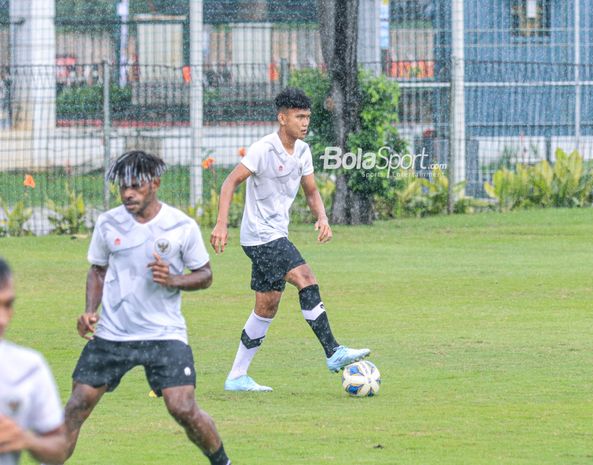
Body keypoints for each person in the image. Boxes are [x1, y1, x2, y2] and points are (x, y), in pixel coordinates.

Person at [61, 151, 232, 465]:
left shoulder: (181, 226)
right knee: (76, 405)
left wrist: (174, 280)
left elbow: (205, 275)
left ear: (154, 183)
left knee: (183, 408)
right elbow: (98, 269)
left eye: (135, 186)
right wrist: (89, 310)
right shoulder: (107, 223)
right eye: (122, 187)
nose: (127, 193)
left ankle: (222, 462)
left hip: (164, 333)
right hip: (113, 334)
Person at [210, 87, 370, 392]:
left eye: (307, 116)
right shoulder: (263, 149)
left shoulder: (303, 151)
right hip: (261, 236)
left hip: (273, 235)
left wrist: (321, 217)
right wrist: (221, 224)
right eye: (299, 116)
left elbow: (311, 191)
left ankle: (236, 377)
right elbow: (230, 182)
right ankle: (333, 351)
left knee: (266, 306)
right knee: (305, 277)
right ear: (282, 118)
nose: (305, 122)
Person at [0, 258, 68, 465]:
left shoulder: (28, 367)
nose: (3, 319)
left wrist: (27, 440)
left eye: (8, 304)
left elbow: (58, 447)